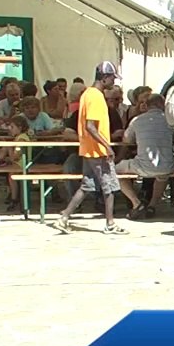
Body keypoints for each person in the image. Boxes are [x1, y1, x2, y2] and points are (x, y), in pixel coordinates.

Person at [50, 62, 126, 235]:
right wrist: (106, 146)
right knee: (109, 187)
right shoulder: (96, 97)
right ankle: (110, 223)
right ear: (104, 78)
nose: (114, 81)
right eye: (112, 78)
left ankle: (64, 217)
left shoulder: (87, 94)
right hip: (97, 150)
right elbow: (90, 126)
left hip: (89, 149)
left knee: (87, 185)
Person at [116, 94, 174, 219]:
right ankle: (152, 205)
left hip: (143, 165)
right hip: (166, 165)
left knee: (115, 170)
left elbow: (126, 140)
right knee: (163, 174)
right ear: (162, 105)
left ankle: (136, 203)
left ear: (147, 106)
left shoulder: (137, 120)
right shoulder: (170, 120)